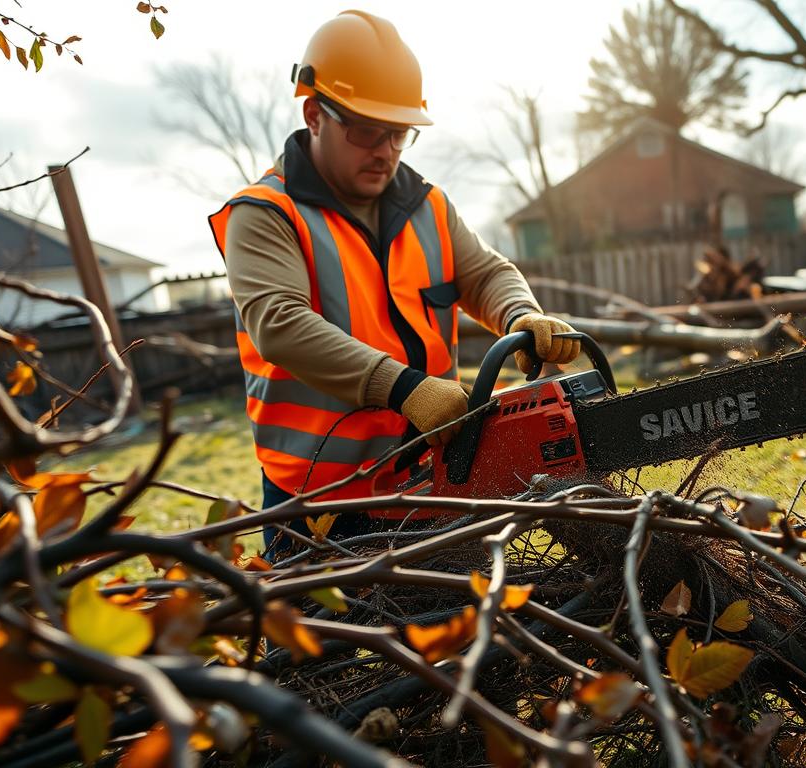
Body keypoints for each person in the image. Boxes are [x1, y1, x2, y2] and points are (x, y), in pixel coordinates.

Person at [208, 10, 579, 551]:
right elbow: (280, 325)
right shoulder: (266, 214)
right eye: (364, 130)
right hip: (318, 502)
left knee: (450, 633)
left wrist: (520, 313)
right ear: (314, 114)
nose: (384, 150)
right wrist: (404, 388)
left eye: (399, 133)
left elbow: (485, 271)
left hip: (432, 481)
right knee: (319, 637)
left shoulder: (427, 205)